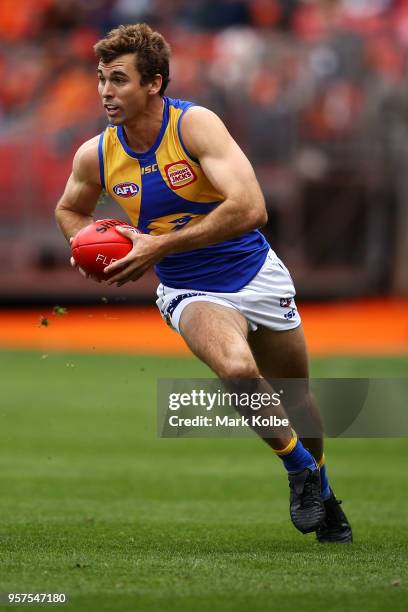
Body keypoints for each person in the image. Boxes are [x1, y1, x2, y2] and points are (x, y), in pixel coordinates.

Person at [55, 23, 352, 542]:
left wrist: (156, 244)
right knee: (237, 369)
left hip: (256, 273)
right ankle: (300, 471)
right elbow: (69, 208)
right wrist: (87, 245)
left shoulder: (194, 127)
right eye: (101, 78)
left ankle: (321, 489)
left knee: (296, 399)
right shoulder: (96, 154)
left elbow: (252, 208)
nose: (105, 91)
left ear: (154, 83)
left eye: (119, 79)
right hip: (188, 290)